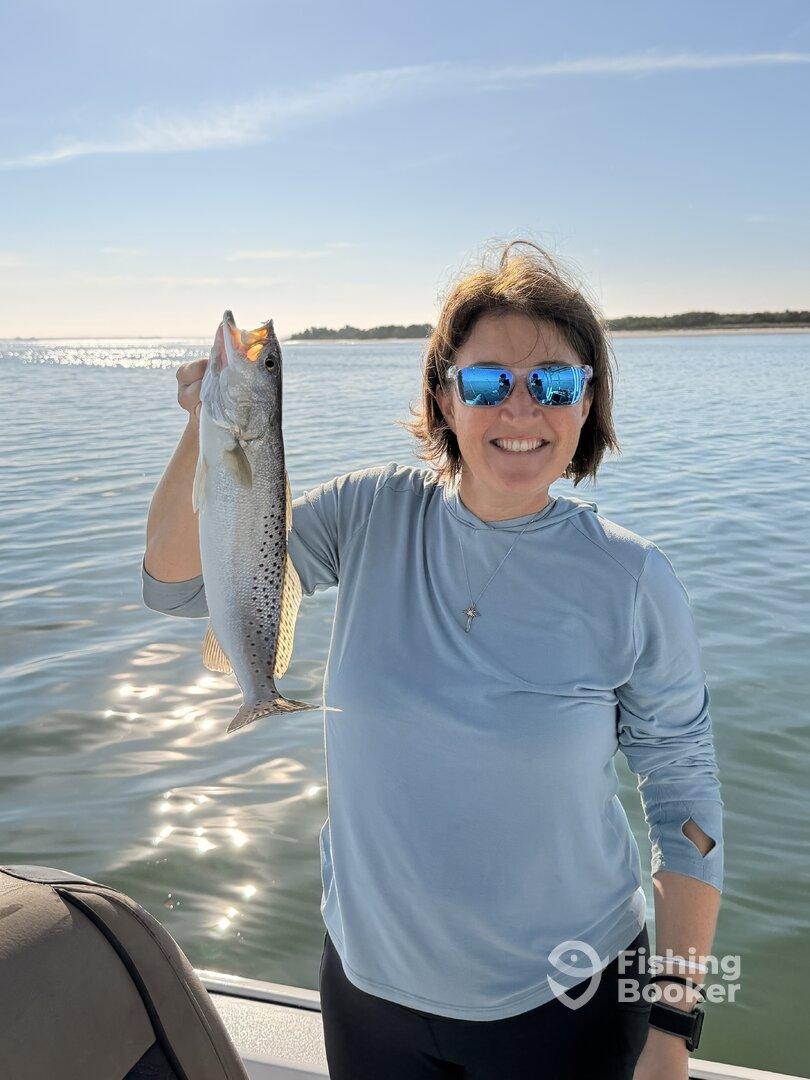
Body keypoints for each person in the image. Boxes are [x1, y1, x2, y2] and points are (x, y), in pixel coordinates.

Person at [141, 239, 724, 1080]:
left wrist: (672, 1025)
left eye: (555, 384)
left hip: (571, 1004)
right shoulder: (368, 514)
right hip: (369, 995)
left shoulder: (633, 579)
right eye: (488, 382)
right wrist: (208, 431)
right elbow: (178, 588)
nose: (520, 410)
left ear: (587, 405)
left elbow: (687, 806)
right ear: (445, 396)